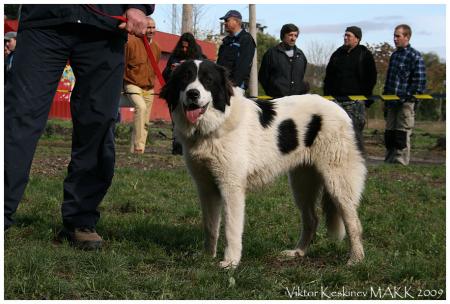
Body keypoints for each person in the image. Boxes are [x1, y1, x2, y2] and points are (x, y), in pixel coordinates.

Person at [4, 4, 154, 250]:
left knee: (98, 121)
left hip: (104, 23)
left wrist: (138, 6)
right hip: (45, 20)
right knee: (19, 115)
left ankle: (81, 219)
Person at [323, 26, 377, 146]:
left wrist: (366, 99)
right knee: (334, 134)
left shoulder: (365, 54)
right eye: (345, 35)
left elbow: (371, 78)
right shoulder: (337, 54)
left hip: (356, 103)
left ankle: (355, 162)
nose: (345, 37)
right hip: (336, 102)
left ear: (357, 39)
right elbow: (328, 77)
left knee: (354, 135)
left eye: (349, 35)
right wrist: (327, 97)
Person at [383, 24, 426, 165]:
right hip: (391, 103)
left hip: (405, 104)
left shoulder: (415, 56)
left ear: (407, 37)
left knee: (402, 133)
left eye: (398, 36)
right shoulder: (394, 56)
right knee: (389, 134)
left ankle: (401, 162)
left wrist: (407, 96)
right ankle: (389, 160)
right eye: (394, 36)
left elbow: (420, 82)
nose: (395, 39)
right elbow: (389, 80)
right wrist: (385, 98)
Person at [162, 32, 206, 155]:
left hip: (193, 96)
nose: (184, 49)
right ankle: (177, 147)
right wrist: (171, 69)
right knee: (177, 121)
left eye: (187, 47)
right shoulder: (175, 56)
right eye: (183, 47)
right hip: (177, 95)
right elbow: (164, 74)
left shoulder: (198, 58)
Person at [124, 17, 161, 154]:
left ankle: (137, 151)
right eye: (148, 27)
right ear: (142, 28)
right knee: (141, 107)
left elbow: (154, 68)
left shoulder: (157, 48)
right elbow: (122, 65)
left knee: (145, 119)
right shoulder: (131, 44)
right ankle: (139, 147)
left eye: (153, 27)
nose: (151, 30)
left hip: (149, 87)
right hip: (132, 83)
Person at [258, 23, 308, 98]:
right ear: (283, 35)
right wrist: (272, 92)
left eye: (295, 35)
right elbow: (263, 76)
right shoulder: (271, 54)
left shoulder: (301, 55)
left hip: (297, 100)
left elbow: (301, 76)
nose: (293, 38)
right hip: (277, 100)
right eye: (290, 35)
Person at [217, 10, 256, 91]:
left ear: (236, 21)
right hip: (222, 85)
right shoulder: (225, 41)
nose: (225, 23)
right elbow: (219, 65)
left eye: (227, 20)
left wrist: (233, 85)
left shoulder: (246, 39)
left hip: (235, 87)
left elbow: (243, 66)